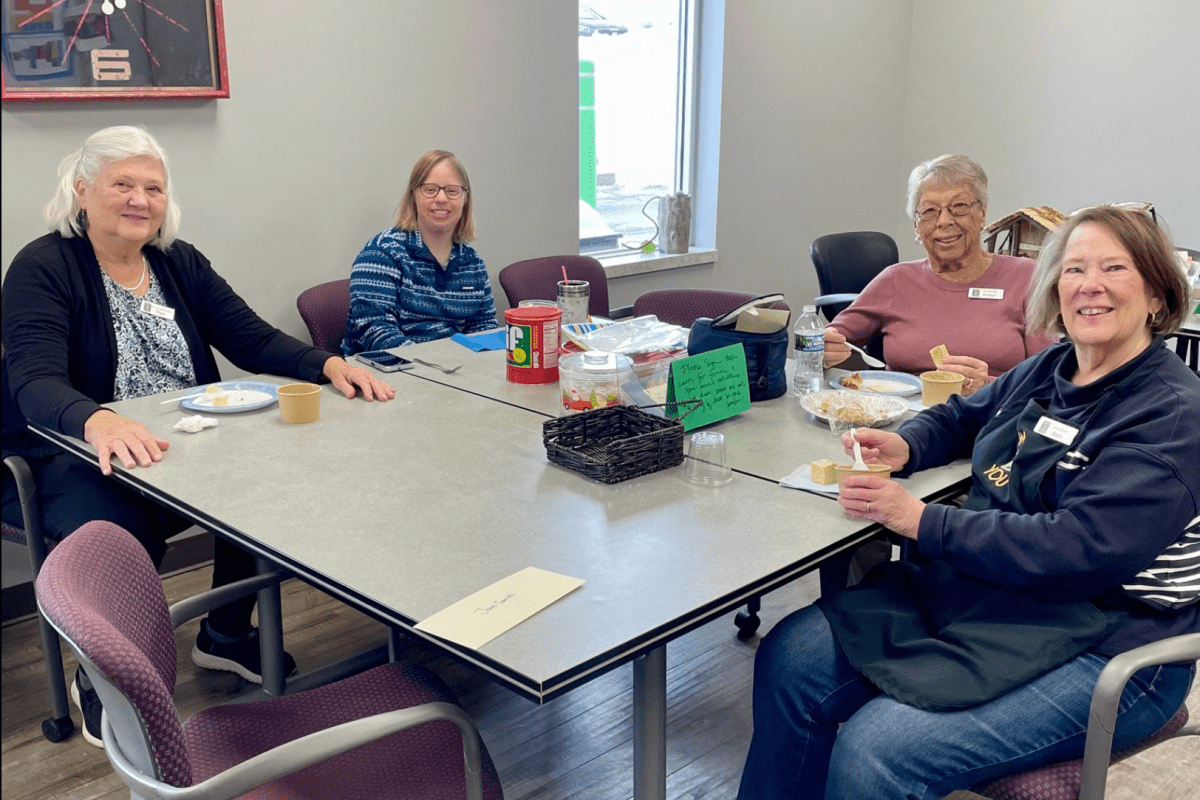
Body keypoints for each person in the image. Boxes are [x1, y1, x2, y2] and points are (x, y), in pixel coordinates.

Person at [739, 205, 1199, 799]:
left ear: (1158, 295)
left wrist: (921, 520)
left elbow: (1077, 550)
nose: (1090, 284)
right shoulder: (1052, 367)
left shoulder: (1170, 413)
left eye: (1115, 268)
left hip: (1109, 640)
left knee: (880, 749)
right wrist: (905, 444)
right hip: (991, 596)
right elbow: (964, 416)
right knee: (789, 659)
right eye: (1074, 269)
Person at [1, 125, 395, 747]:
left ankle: (227, 634)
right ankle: (104, 676)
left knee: (265, 481)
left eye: (153, 187)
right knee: (121, 532)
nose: (140, 199)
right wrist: (97, 417)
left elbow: (249, 336)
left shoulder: (176, 261)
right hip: (66, 449)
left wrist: (326, 363)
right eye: (122, 184)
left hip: (178, 435)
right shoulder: (43, 266)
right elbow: (33, 378)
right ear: (81, 191)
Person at [824, 154, 1058, 396]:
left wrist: (988, 386)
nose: (944, 221)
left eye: (959, 207)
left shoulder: (1025, 276)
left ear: (981, 214)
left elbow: (1050, 376)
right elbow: (825, 340)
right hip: (905, 419)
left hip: (994, 418)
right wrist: (822, 350)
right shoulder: (896, 280)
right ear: (916, 225)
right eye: (929, 211)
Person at [341, 149, 499, 356]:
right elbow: (377, 334)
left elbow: (483, 328)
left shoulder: (472, 262)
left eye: (452, 191)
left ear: (465, 199)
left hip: (456, 372)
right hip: (389, 374)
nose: (441, 199)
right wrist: (440, 365)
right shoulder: (382, 252)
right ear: (413, 195)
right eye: (430, 189)